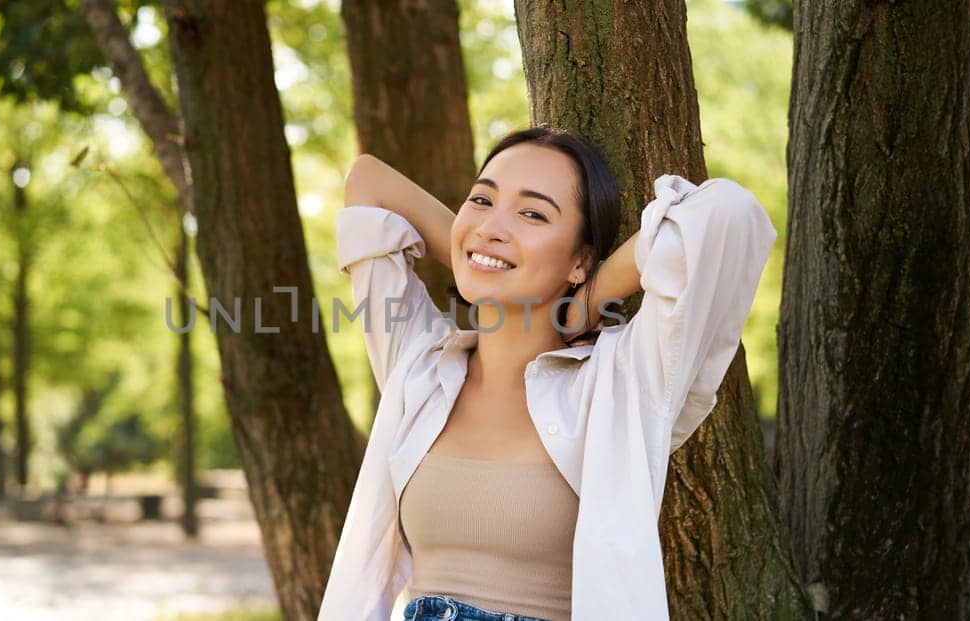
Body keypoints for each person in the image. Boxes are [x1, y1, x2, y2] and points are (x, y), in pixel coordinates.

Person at [319, 128, 777, 620]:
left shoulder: (618, 385)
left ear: (580, 259)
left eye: (533, 213)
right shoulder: (418, 370)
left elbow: (728, 215)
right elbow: (367, 183)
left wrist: (589, 298)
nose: (494, 223)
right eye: (482, 199)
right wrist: (479, 248)